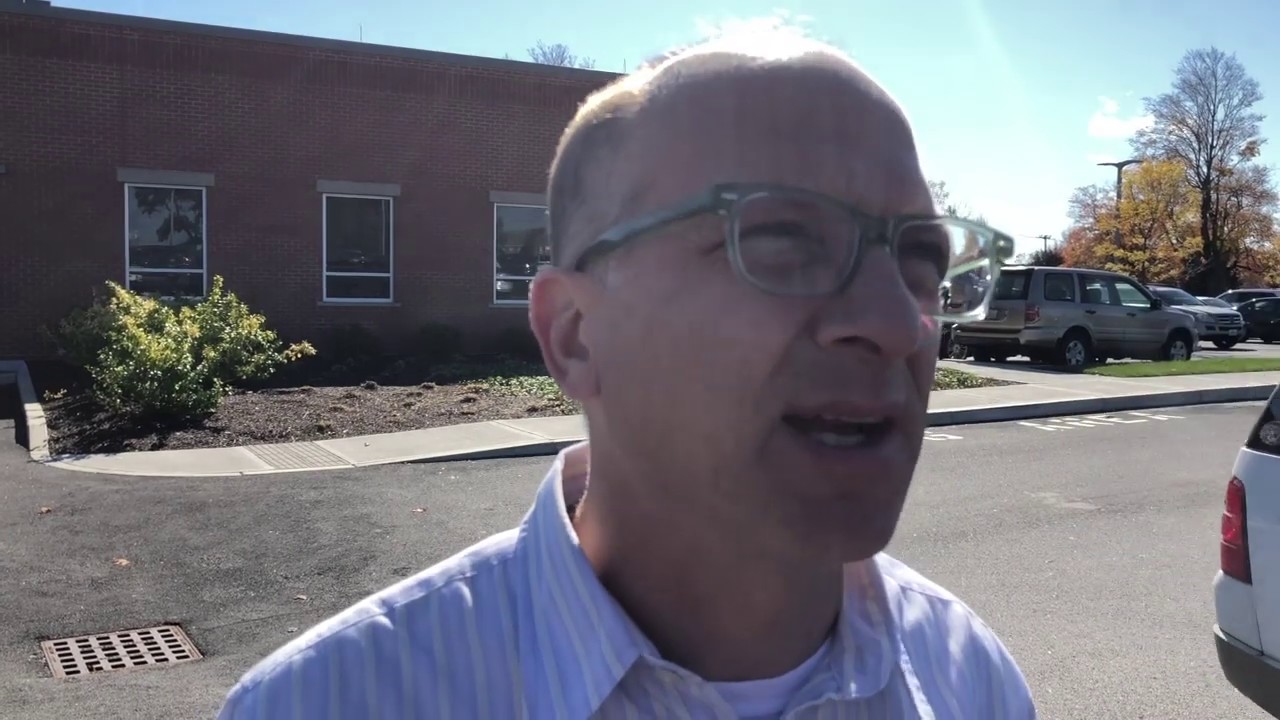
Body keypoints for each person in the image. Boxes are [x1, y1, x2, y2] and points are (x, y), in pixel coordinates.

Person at [218, 30, 1035, 720]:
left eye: (921, 260)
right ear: (575, 336)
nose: (899, 324)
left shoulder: (974, 682)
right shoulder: (331, 700)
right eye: (783, 240)